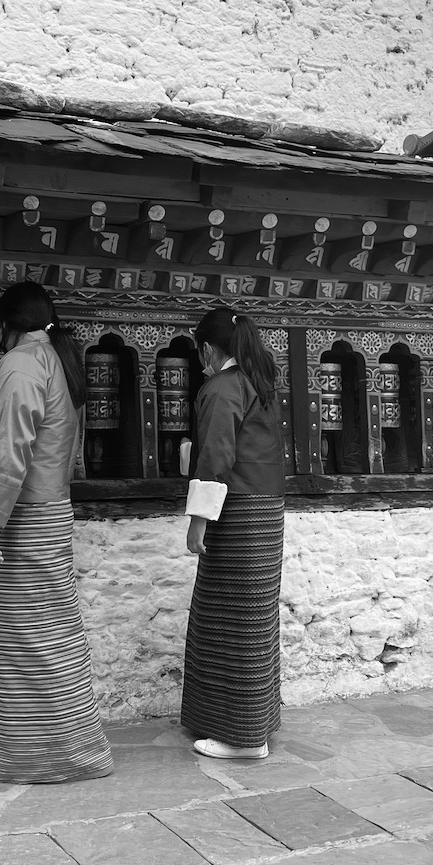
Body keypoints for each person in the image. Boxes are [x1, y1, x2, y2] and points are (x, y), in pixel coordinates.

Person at [0, 282, 114, 782]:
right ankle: (35, 747)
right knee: (44, 634)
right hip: (49, 508)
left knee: (24, 639)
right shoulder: (58, 359)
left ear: (5, 326)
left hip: (22, 517)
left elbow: (13, 444)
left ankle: (37, 754)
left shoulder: (21, 364)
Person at [180, 306, 286, 759]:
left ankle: (243, 738)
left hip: (237, 512)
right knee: (251, 619)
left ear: (207, 347)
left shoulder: (222, 386)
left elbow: (217, 455)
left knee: (235, 623)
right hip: (266, 511)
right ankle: (248, 722)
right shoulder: (258, 384)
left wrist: (197, 521)